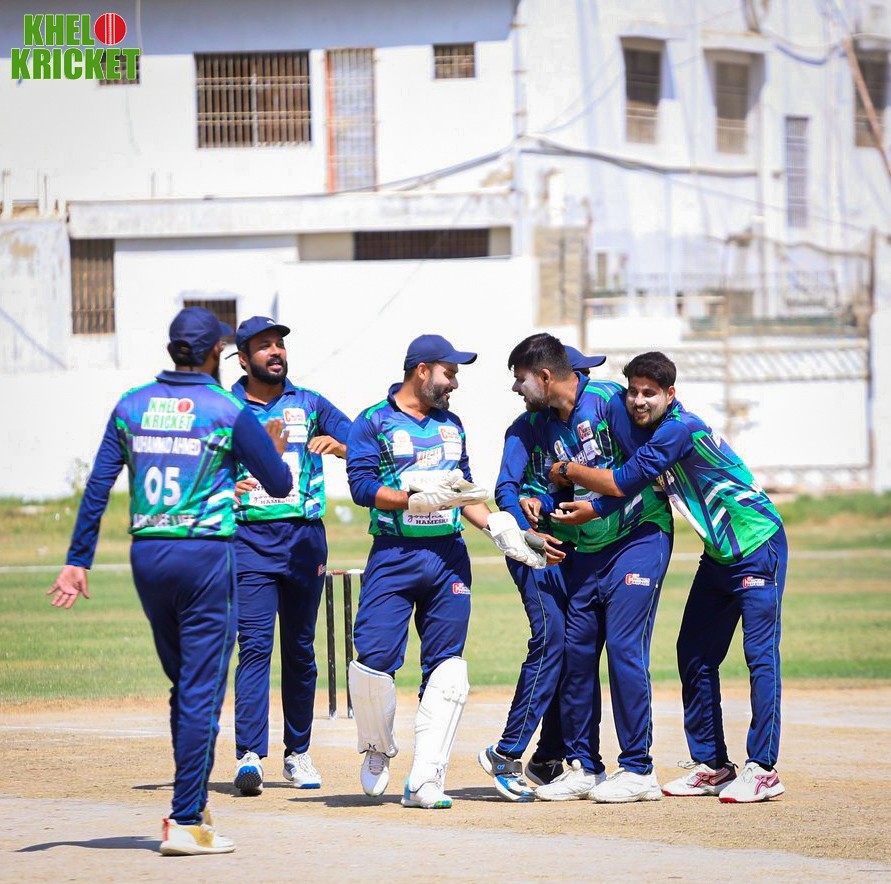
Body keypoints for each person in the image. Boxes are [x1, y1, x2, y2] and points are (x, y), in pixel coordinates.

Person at [47, 306, 293, 855]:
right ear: (215, 353)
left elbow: (98, 485)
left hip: (148, 556)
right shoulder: (227, 407)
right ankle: (185, 820)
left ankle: (193, 806)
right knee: (201, 689)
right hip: (204, 555)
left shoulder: (131, 404)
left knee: (185, 683)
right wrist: (272, 451)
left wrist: (78, 559)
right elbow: (278, 484)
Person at [553, 351, 788, 803]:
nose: (638, 401)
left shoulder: (679, 429)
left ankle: (763, 769)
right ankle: (713, 765)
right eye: (633, 392)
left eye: (650, 393)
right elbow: (632, 484)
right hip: (719, 555)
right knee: (694, 653)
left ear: (670, 394)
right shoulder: (657, 430)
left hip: (758, 544)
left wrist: (566, 470)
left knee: (760, 656)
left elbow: (622, 481)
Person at [345, 333, 549, 810]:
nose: (454, 382)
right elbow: (361, 487)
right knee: (373, 660)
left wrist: (499, 528)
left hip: (448, 558)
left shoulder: (452, 425)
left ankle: (426, 778)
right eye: (449, 372)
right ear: (422, 371)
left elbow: (465, 493)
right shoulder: (373, 421)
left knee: (449, 669)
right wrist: (414, 500)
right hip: (394, 553)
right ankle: (376, 747)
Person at [506, 333, 673, 804]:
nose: (516, 389)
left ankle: (638, 768)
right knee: (576, 653)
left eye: (520, 379)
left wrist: (592, 503)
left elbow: (642, 471)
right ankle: (585, 767)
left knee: (622, 648)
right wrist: (538, 501)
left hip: (639, 538)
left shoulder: (606, 401)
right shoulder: (544, 423)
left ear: (545, 376)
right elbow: (558, 486)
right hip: (587, 550)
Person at [228, 316, 352, 796]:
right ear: (244, 358)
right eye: (264, 346)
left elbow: (363, 441)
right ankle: (249, 755)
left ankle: (297, 754)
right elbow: (203, 465)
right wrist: (223, 487)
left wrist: (339, 446)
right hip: (249, 541)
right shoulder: (227, 407)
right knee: (255, 647)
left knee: (300, 650)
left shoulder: (310, 403)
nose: (276, 351)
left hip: (304, 541)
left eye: (279, 344)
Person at [477, 346, 605, 802]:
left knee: (574, 652)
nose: (585, 385)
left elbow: (573, 490)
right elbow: (505, 489)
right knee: (550, 639)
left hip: (575, 549)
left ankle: (550, 756)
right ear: (556, 377)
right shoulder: (527, 426)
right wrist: (526, 529)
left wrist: (550, 503)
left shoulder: (584, 425)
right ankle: (505, 752)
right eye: (580, 374)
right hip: (531, 549)